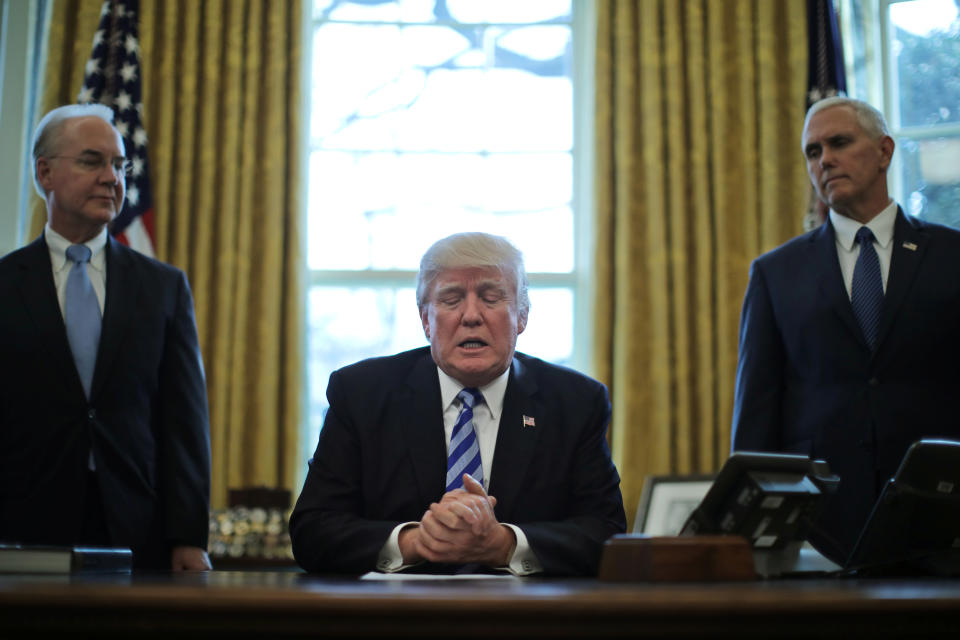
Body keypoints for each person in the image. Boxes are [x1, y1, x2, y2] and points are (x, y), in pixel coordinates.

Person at [290, 232, 626, 576]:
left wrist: (506, 544)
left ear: (522, 315)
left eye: (491, 297)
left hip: (528, 623)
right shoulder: (360, 394)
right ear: (425, 320)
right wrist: (416, 542)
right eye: (451, 300)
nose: (471, 316)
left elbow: (608, 533)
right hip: (391, 620)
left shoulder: (575, 402)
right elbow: (312, 531)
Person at [731, 96, 960, 564]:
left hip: (939, 508)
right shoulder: (776, 273)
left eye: (839, 143)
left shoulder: (951, 257)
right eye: (813, 152)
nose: (825, 159)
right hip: (821, 522)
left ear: (884, 151)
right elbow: (757, 408)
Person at [0, 104, 212, 570]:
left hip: (138, 527)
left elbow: (184, 422)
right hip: (23, 528)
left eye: (118, 165)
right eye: (92, 161)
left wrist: (188, 536)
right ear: (45, 173)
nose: (112, 178)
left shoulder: (163, 286)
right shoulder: (5, 283)